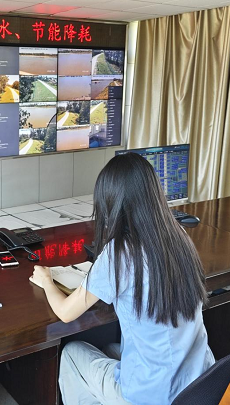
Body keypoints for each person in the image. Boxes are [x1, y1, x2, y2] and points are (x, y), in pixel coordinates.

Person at [31, 152, 214, 404]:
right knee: (109, 350)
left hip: (153, 395)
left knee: (73, 353)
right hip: (199, 385)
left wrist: (46, 280)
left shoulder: (120, 253)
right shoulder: (178, 235)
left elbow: (65, 312)